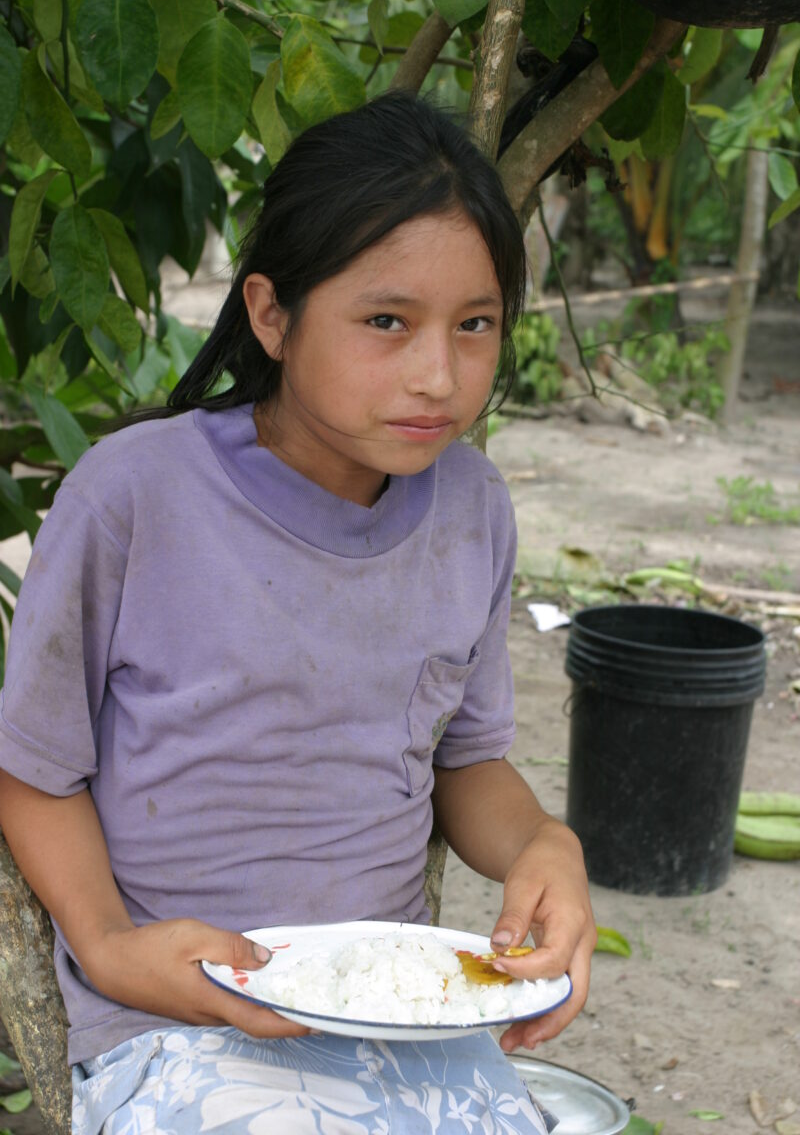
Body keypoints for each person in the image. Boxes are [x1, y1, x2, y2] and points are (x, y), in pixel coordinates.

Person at [0, 91, 596, 1135]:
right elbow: (32, 767)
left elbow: (465, 762)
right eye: (385, 322)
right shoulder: (135, 497)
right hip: (178, 1023)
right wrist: (106, 944)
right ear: (272, 314)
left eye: (475, 325)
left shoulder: (470, 510)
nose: (438, 375)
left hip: (403, 1017)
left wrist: (542, 847)